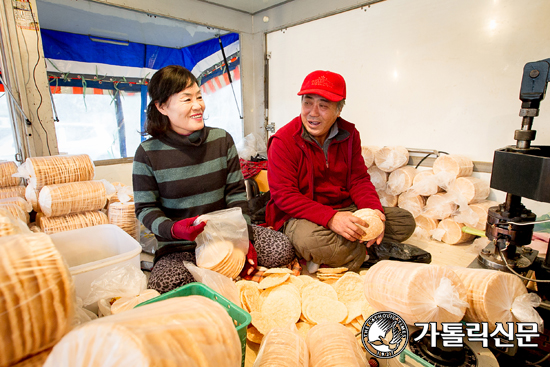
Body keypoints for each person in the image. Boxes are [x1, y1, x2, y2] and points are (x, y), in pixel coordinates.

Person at [133, 65, 294, 293]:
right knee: (164, 286)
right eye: (186, 99)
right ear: (161, 106)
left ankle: (221, 271)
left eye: (199, 96)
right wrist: (174, 229)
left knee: (281, 248)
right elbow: (145, 208)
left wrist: (242, 239)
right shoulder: (147, 153)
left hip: (225, 236)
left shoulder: (221, 140)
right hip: (179, 245)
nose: (198, 105)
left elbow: (236, 194)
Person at [266, 70, 415, 272]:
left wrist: (374, 212)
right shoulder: (283, 141)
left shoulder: (349, 134)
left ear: (339, 110)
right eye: (307, 102)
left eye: (323, 105)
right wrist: (331, 219)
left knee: (404, 222)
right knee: (311, 241)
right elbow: (284, 196)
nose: (313, 112)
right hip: (302, 217)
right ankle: (365, 252)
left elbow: (358, 180)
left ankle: (348, 251)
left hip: (345, 209)